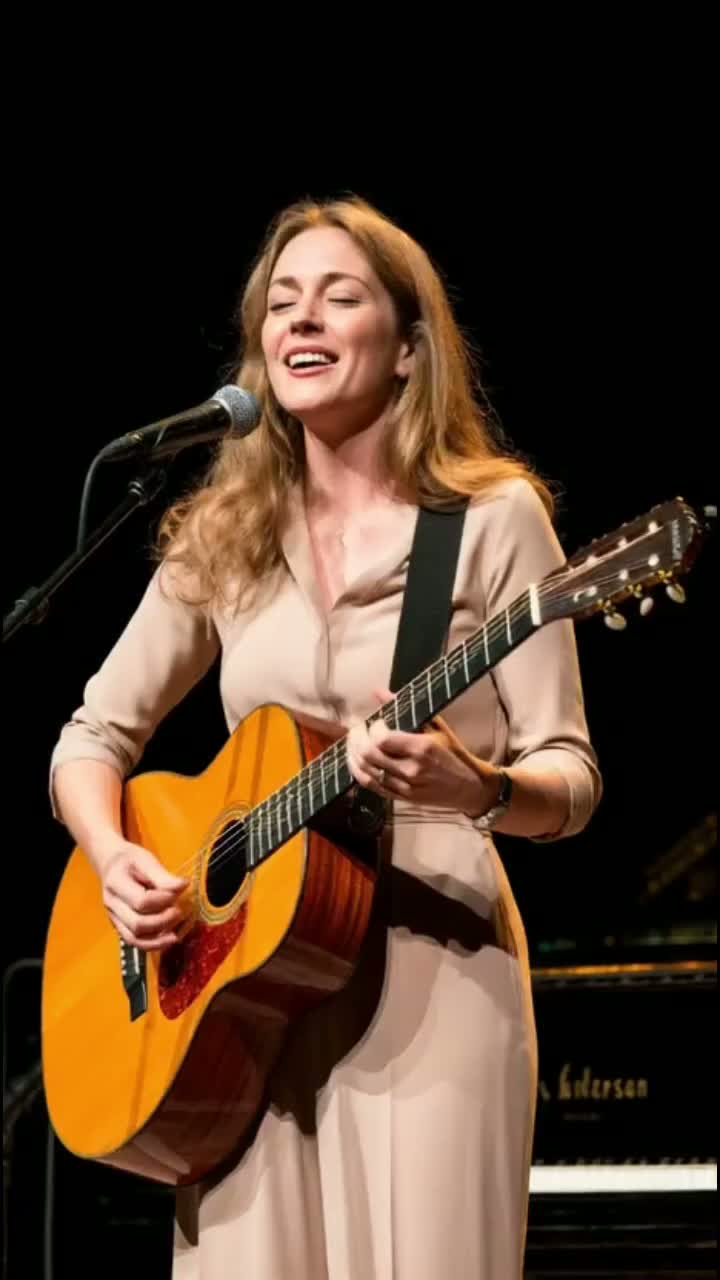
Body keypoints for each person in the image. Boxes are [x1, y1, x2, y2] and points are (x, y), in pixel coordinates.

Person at [48, 195, 602, 1280]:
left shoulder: (492, 520)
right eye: (281, 302)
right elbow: (90, 738)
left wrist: (479, 786)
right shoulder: (225, 534)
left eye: (338, 298)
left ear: (408, 349)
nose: (300, 319)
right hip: (237, 998)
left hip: (432, 972)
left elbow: (570, 775)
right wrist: (114, 858)